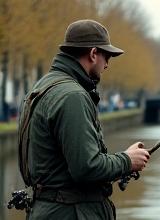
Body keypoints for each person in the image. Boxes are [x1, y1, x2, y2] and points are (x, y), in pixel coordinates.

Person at [18, 19, 150, 220]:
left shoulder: (42, 87)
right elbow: (86, 167)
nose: (107, 64)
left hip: (48, 210)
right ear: (93, 53)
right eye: (107, 56)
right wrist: (127, 161)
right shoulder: (73, 96)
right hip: (70, 213)